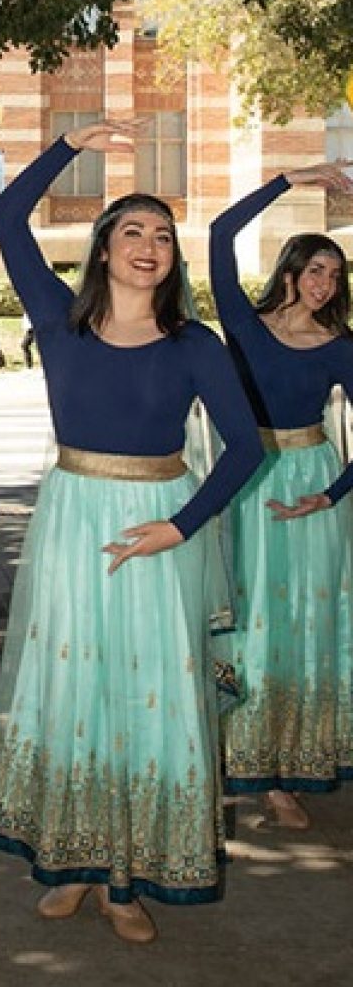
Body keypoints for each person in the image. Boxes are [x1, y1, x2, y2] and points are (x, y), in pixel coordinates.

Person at [0, 119, 264, 943]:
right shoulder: (59, 318)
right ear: (104, 247)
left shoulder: (195, 344)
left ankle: (125, 880)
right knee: (73, 692)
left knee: (147, 699)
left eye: (164, 236)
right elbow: (7, 218)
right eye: (132, 231)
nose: (150, 245)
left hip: (157, 529)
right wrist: (69, 142)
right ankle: (71, 859)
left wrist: (178, 529)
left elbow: (245, 448)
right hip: (74, 522)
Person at [209, 161, 353, 828]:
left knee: (303, 629)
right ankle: (230, 753)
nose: (325, 284)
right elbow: (218, 233)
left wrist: (330, 495)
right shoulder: (242, 321)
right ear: (291, 270)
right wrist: (289, 180)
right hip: (246, 481)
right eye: (316, 269)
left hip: (314, 488)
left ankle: (283, 770)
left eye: (336, 274)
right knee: (243, 620)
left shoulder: (340, 345)